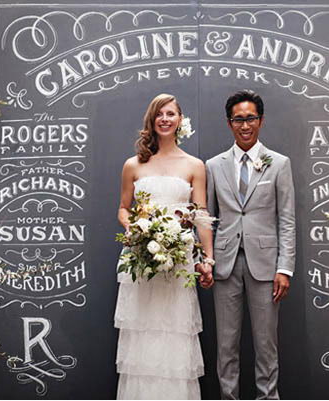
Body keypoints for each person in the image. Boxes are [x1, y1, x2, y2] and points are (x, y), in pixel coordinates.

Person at [114, 93, 214, 399]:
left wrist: (208, 259)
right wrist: (134, 229)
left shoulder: (194, 165)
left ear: (180, 120)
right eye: (160, 114)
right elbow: (122, 208)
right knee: (143, 334)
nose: (165, 119)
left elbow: (201, 215)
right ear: (152, 120)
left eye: (171, 113)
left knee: (175, 333)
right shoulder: (133, 164)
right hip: (141, 259)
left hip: (179, 258)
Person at [206, 90, 296, 399]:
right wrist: (205, 259)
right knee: (226, 345)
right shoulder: (213, 165)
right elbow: (207, 219)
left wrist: (284, 268)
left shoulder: (279, 164)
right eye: (238, 119)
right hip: (225, 264)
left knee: (266, 345)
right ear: (229, 123)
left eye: (251, 118)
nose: (245, 125)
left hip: (267, 267)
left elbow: (287, 220)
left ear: (261, 120)